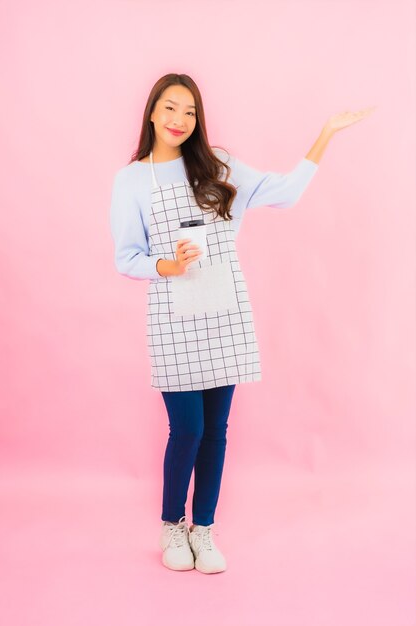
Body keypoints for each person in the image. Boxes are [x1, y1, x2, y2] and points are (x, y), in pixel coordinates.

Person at [109, 73, 375, 574]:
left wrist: (326, 133)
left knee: (216, 431)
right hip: (173, 320)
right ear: (151, 112)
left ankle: (203, 530)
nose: (179, 120)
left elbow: (287, 193)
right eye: (170, 108)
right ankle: (172, 524)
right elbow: (126, 256)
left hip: (226, 315)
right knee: (186, 429)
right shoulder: (131, 181)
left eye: (189, 112)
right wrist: (167, 265)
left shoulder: (220, 164)